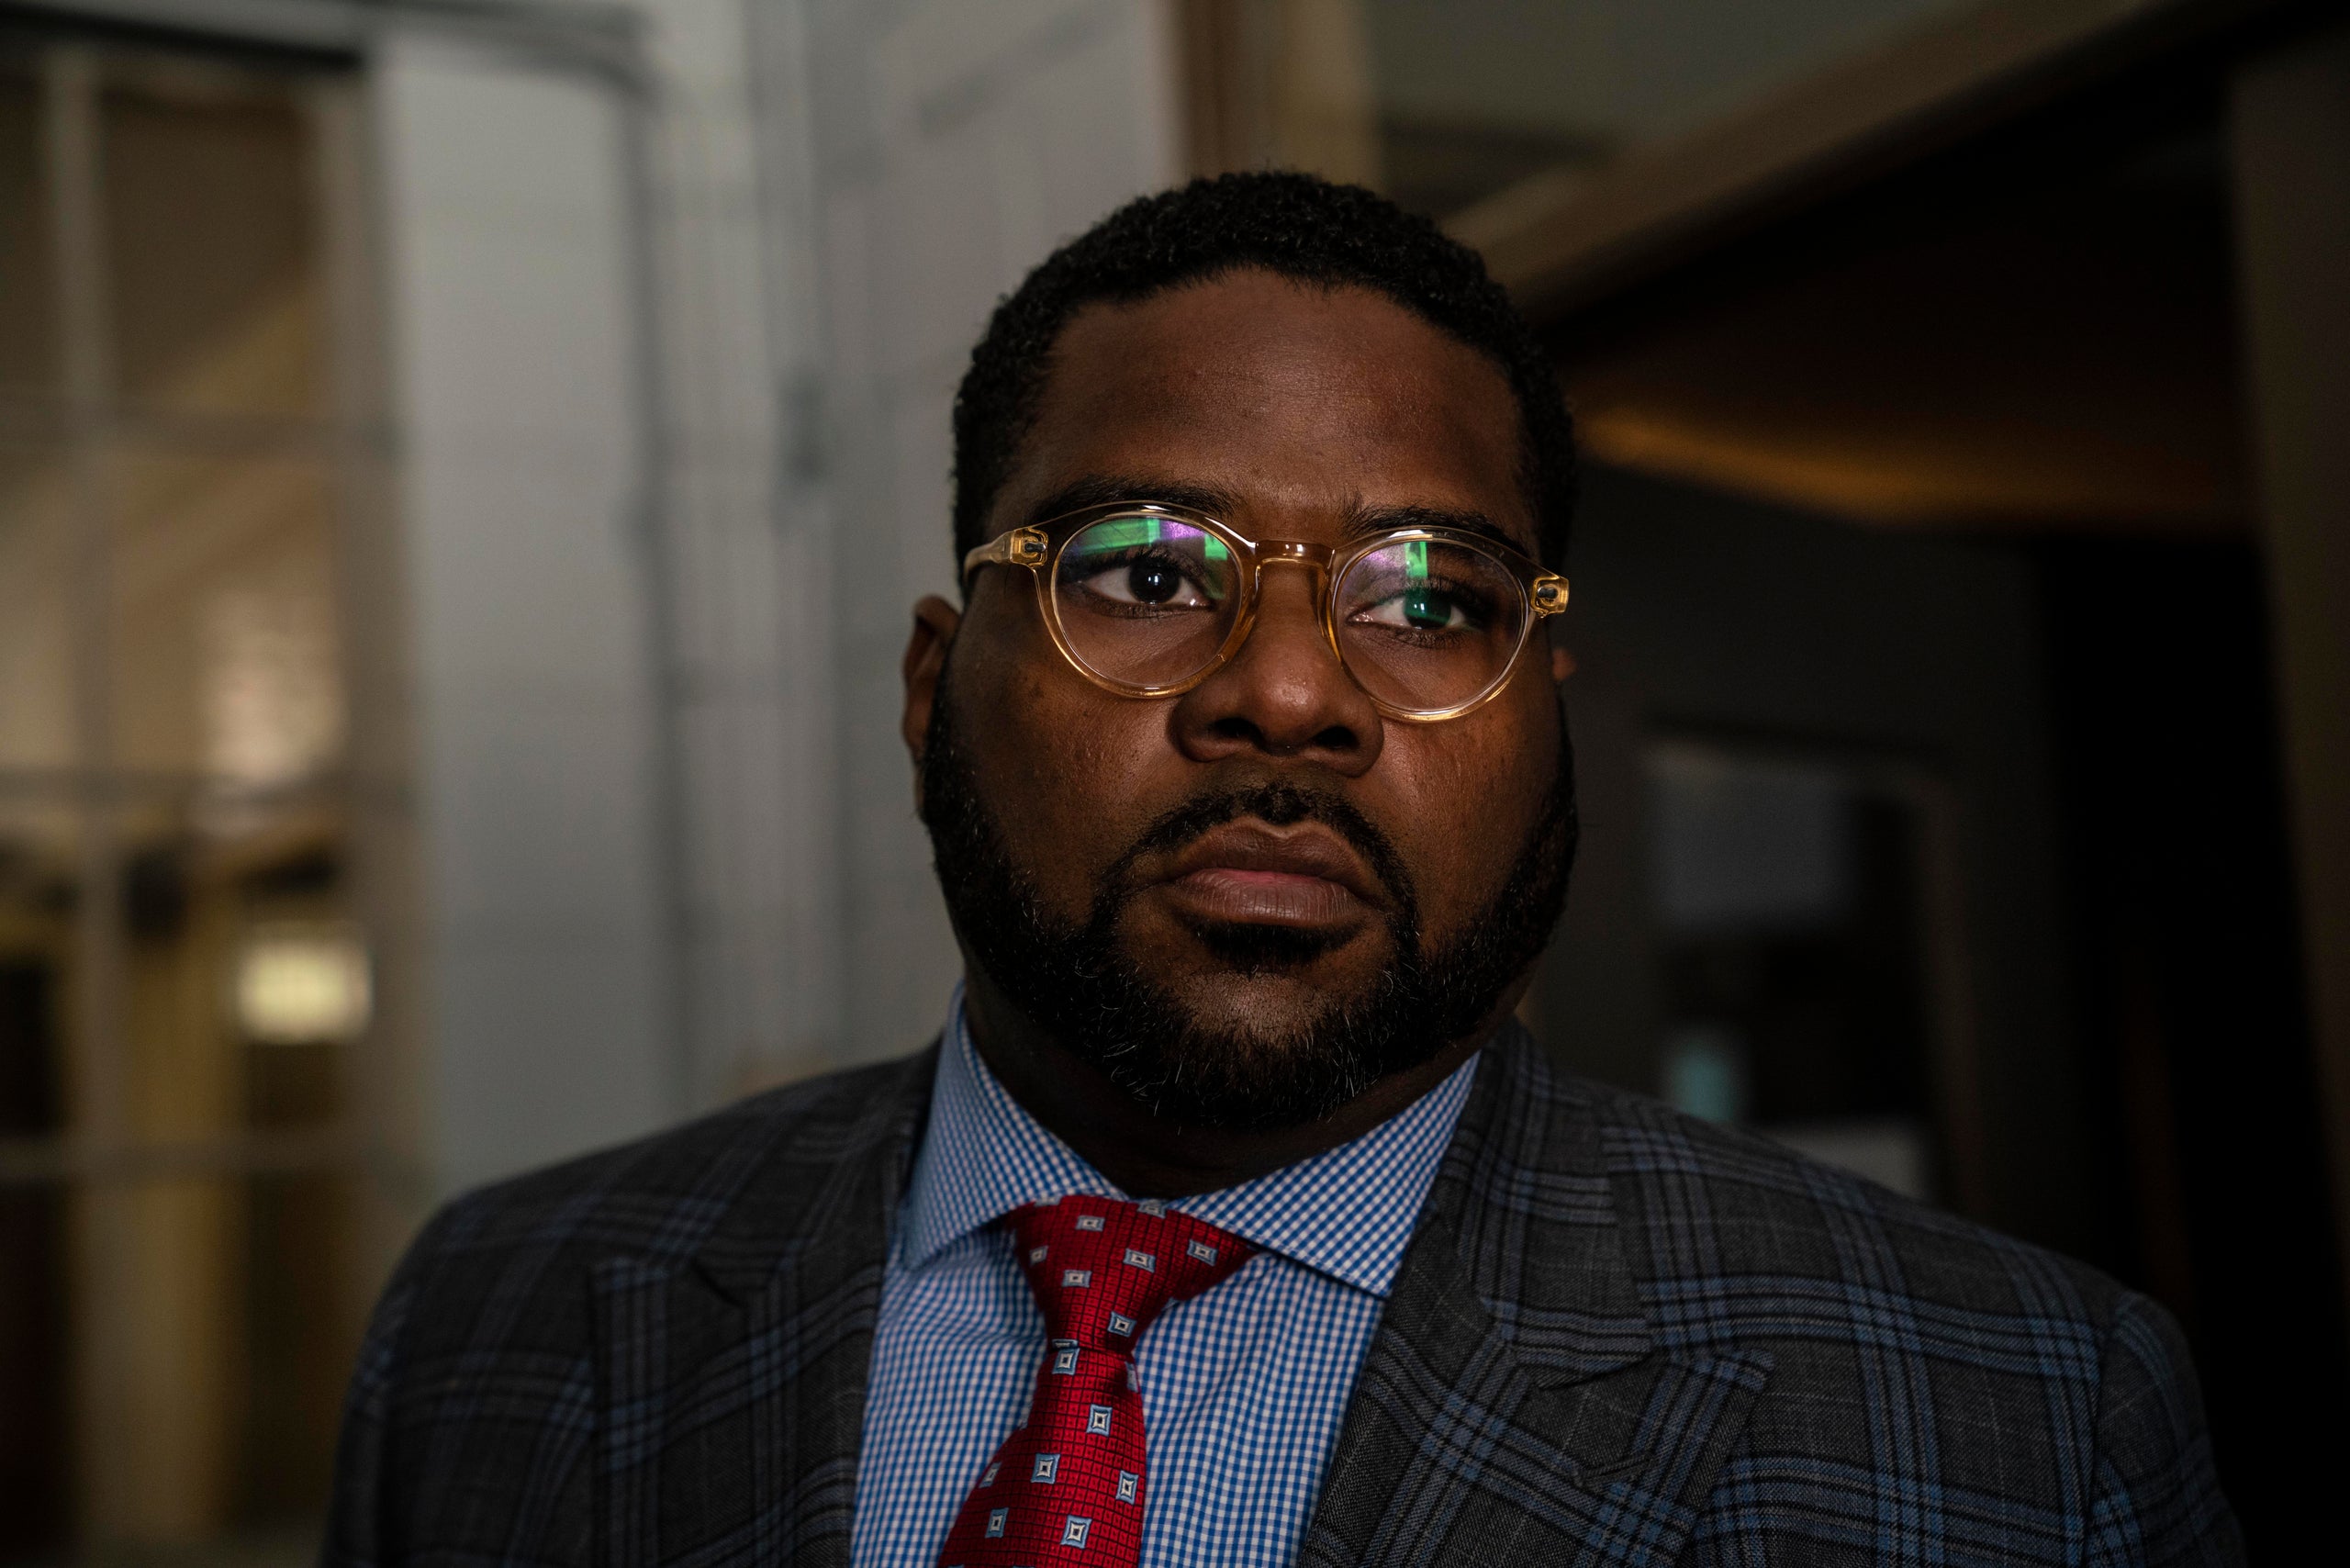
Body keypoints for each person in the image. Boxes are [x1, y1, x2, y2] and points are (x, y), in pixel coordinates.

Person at [324, 172, 2243, 1567]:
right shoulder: (498, 1319)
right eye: (1148, 571)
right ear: (933, 687)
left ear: (1543, 712)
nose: (1288, 690)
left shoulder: (2019, 1419)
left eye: (1428, 596)